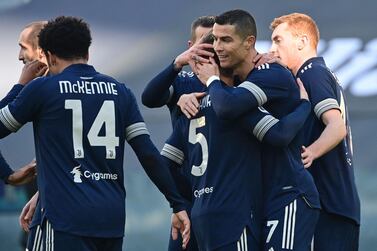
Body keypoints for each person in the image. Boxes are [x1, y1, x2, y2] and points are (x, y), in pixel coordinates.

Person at [0, 16, 190, 251]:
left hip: (63, 221)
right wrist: (177, 203)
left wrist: (20, 86)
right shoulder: (120, 91)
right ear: (87, 53)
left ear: (49, 55)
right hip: (109, 222)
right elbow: (148, 154)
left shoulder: (42, 89)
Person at [195, 9, 320, 250]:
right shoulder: (238, 89)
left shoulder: (269, 73)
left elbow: (229, 109)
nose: (218, 47)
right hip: (261, 201)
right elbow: (276, 133)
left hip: (289, 194)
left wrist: (212, 81)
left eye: (226, 40)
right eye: (215, 40)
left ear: (249, 42)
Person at [269, 13, 360, 251]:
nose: (273, 48)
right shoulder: (320, 73)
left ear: (301, 42)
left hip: (328, 205)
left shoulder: (311, 73)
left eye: (278, 40)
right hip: (341, 204)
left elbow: (337, 127)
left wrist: (310, 152)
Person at [142, 16, 215, 251]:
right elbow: (149, 97)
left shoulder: (232, 81)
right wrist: (177, 64)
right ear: (190, 46)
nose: (209, 49)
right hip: (188, 193)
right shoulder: (183, 82)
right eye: (203, 43)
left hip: (223, 190)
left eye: (215, 43)